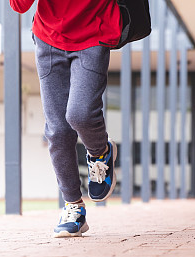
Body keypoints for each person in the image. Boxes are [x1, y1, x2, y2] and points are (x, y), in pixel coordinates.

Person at [9, 0, 121, 238]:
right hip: (49, 38)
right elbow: (19, 5)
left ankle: (100, 152)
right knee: (57, 131)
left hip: (94, 33)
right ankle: (73, 207)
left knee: (80, 113)